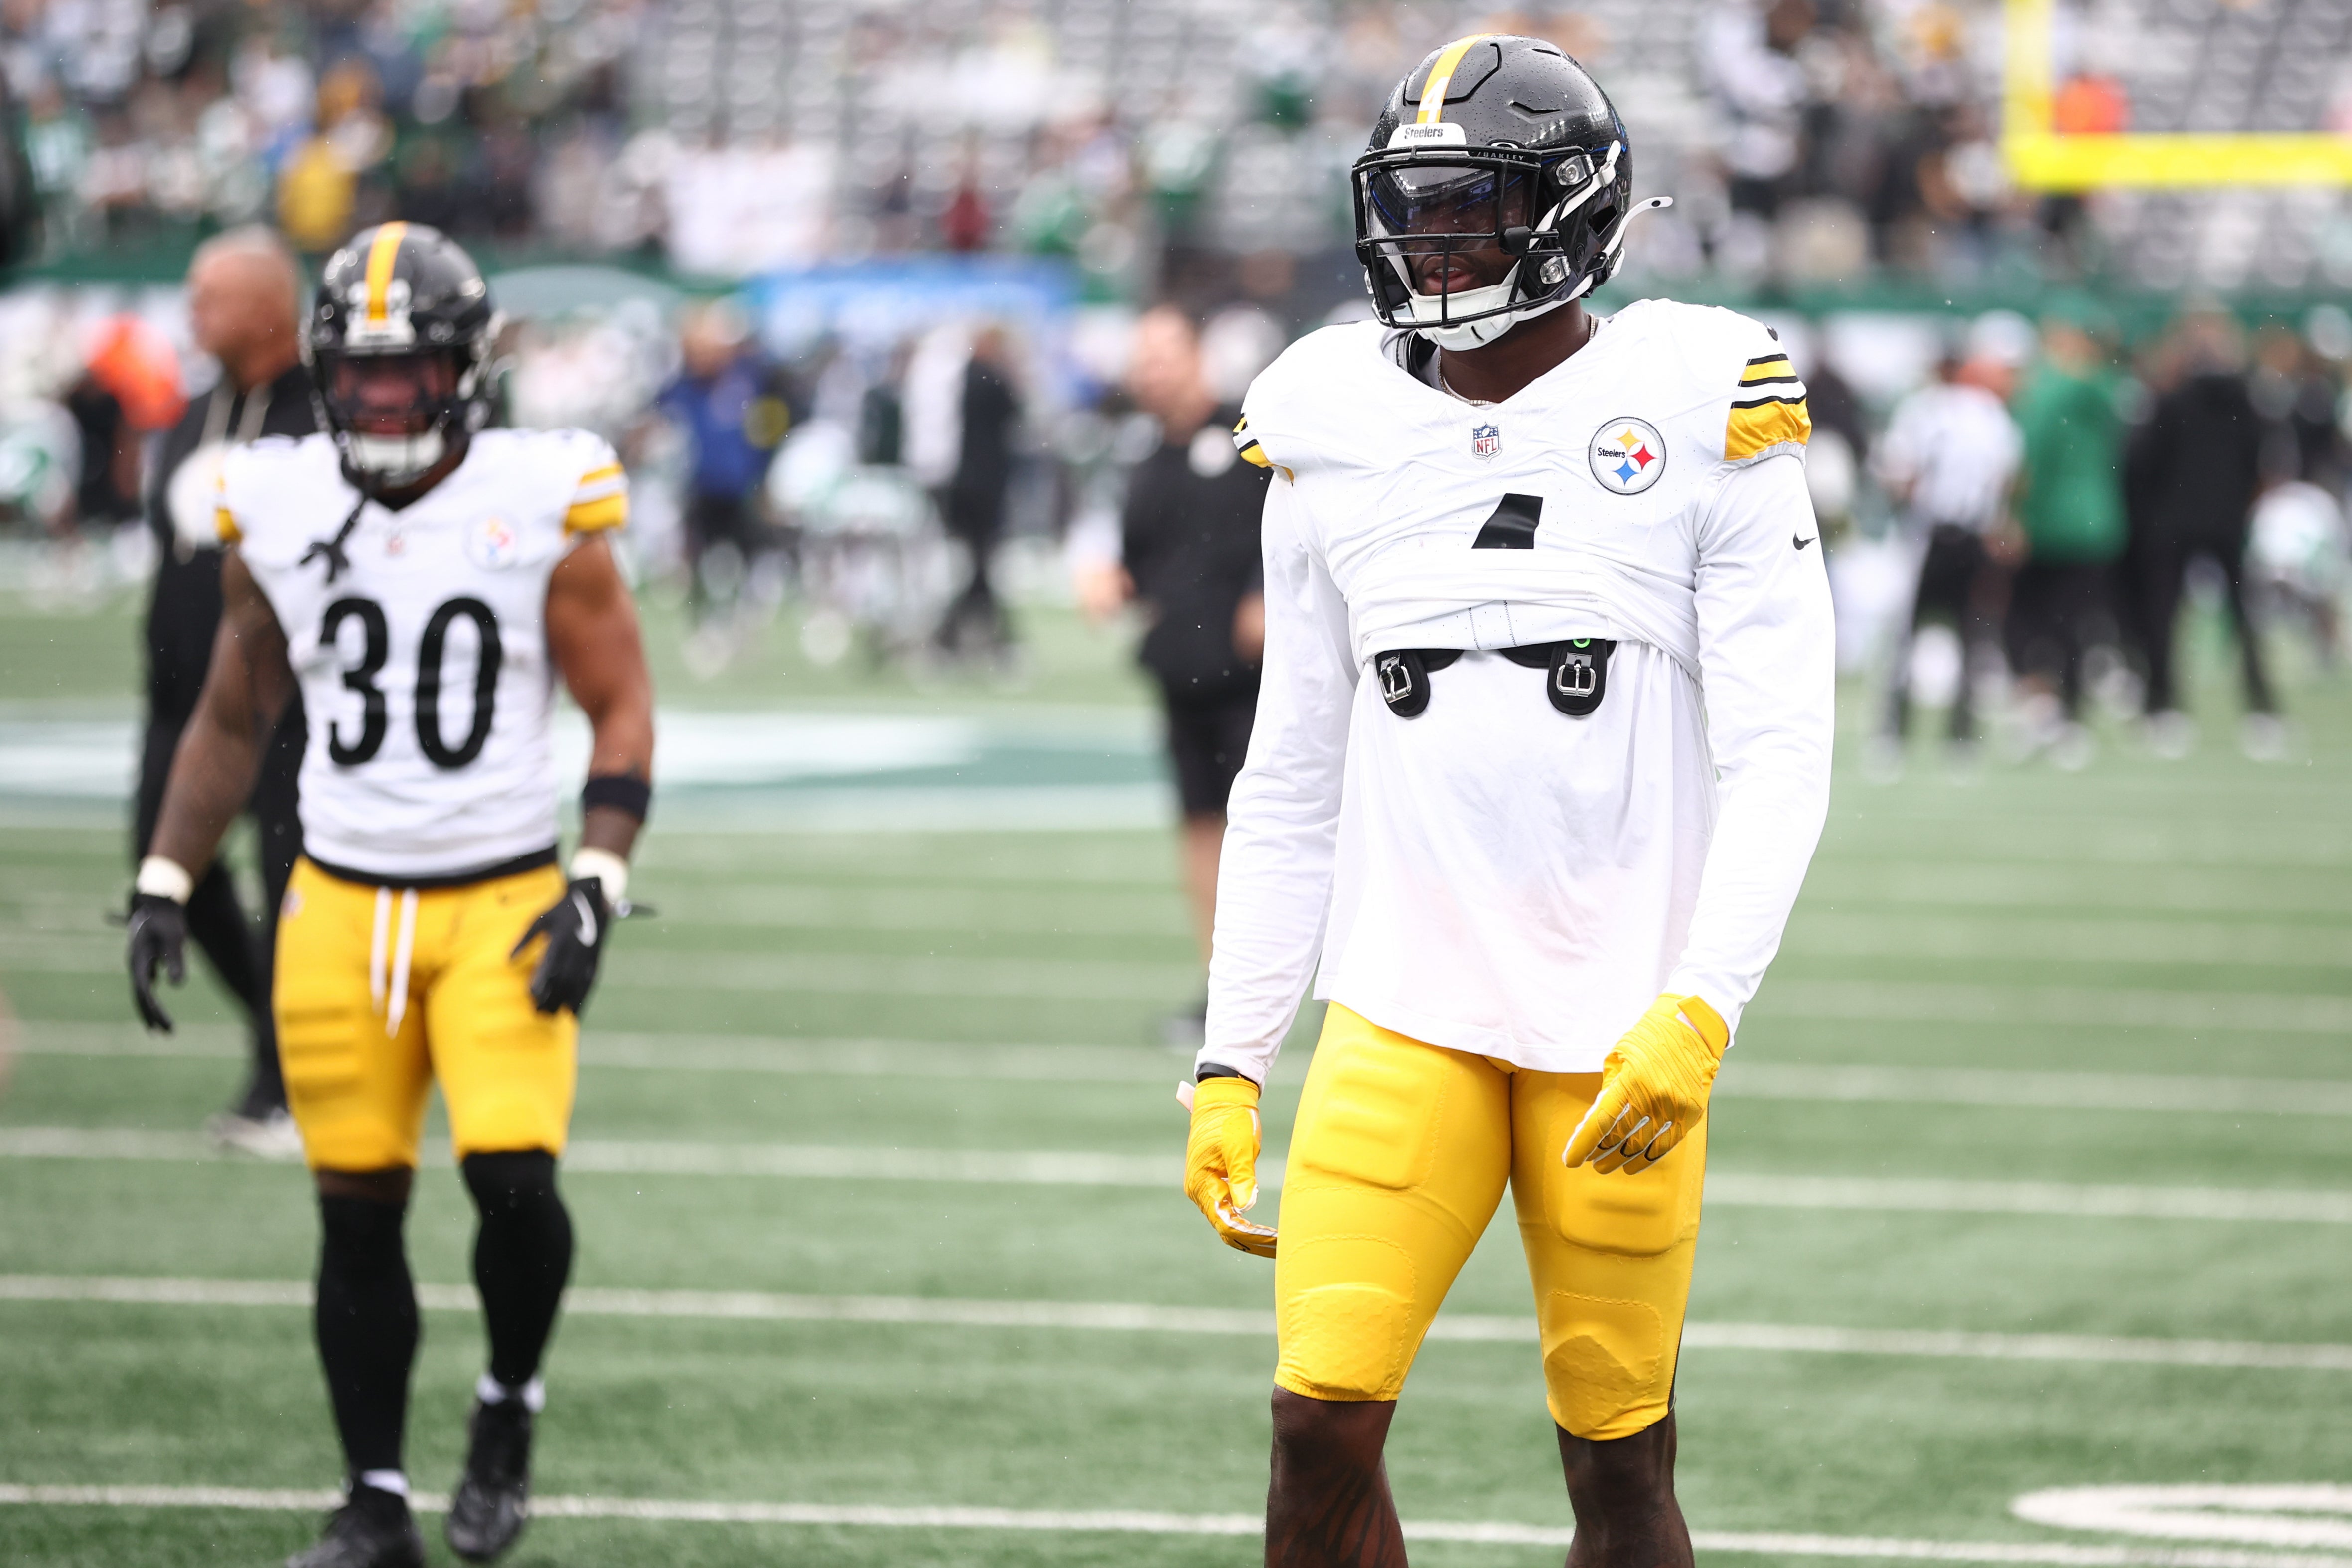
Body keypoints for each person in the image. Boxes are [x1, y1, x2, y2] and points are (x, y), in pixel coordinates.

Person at [1179, 37, 1833, 1568]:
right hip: (1403, 1000)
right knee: (1314, 1419)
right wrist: (1232, 1053)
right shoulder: (1326, 414)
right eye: (1414, 207)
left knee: (1616, 1461)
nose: (1434, 243)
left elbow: (1782, 744)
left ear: (1573, 213)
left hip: (1618, 1024)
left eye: (1473, 208)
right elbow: (1286, 780)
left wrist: (1703, 1004)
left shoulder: (1693, 392)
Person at [122, 223, 655, 1568]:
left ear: (465, 371)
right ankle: (372, 1498)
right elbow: (235, 708)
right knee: (354, 1210)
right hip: (338, 905)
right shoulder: (281, 496)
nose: (377, 403)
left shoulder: (544, 493)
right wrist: (167, 874)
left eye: (404, 375)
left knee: (514, 1181)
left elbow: (619, 701)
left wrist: (596, 879)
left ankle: (506, 1407)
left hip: (498, 898)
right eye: (354, 380)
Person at [136, 226, 316, 1155]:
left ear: (267, 308)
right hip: (181, 701)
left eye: (211, 294)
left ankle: (285, 1079)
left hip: (289, 708)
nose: (192, 311)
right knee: (165, 876)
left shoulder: (319, 416)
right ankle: (282, 1036)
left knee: (292, 882)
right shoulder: (191, 414)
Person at [1113, 304, 1271, 1045]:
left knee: (1275, 829)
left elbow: (1298, 518)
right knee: (1201, 827)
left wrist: (1266, 593)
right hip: (1181, 672)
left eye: (1164, 355)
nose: (1153, 371)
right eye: (1142, 359)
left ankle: (1326, 986)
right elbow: (1140, 561)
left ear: (1196, 356)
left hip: (1253, 679)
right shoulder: (1146, 457)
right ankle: (1224, 991)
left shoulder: (1249, 434)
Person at [2123, 307, 2281, 759]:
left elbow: (2143, 463)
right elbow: (2260, 460)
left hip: (2173, 522)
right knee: (2242, 617)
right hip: (2228, 521)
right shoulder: (2248, 399)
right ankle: (2263, 709)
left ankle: (2163, 708)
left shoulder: (2170, 400)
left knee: (2164, 616)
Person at [1871, 345, 2023, 763]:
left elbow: (1900, 475)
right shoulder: (1989, 412)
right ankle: (1958, 737)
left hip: (1930, 533)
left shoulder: (1922, 409)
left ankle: (1895, 734)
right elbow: (2008, 476)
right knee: (1969, 635)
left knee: (1911, 637)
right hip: (1968, 532)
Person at [2006, 309, 2125, 767]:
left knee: (2036, 624)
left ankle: (2048, 710)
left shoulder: (2047, 390)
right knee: (2075, 624)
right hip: (2093, 522)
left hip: (2052, 524)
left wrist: (2014, 515)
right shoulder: (2100, 388)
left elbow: (2027, 458)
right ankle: (2066, 715)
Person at [653, 300, 792, 636]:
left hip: (741, 483)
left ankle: (744, 620)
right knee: (701, 556)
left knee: (749, 554)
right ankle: (707, 622)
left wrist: (766, 475)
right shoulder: (685, 385)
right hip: (701, 484)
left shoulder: (750, 378)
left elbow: (774, 423)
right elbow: (659, 414)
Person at [934, 323, 1023, 661]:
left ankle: (968, 636)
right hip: (984, 484)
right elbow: (1015, 410)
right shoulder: (988, 378)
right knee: (980, 565)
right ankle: (968, 635)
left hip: (968, 480)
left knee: (978, 565)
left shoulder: (966, 377)